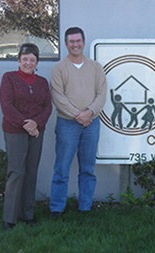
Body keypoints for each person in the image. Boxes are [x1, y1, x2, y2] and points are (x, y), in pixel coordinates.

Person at [49, 27, 107, 217]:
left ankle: (85, 207)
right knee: (62, 169)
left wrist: (89, 113)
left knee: (88, 169)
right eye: (71, 41)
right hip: (67, 124)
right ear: (66, 44)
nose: (75, 44)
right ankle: (57, 208)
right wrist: (79, 115)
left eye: (78, 41)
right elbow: (58, 98)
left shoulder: (96, 67)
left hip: (91, 123)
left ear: (83, 42)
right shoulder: (59, 69)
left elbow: (101, 94)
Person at [0, 43, 52, 230]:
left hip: (37, 131)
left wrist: (36, 124)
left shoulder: (42, 82)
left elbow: (48, 107)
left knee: (31, 172)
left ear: (37, 62)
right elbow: (7, 106)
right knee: (16, 172)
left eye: (32, 59)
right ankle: (10, 218)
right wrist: (27, 125)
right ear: (19, 60)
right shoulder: (9, 78)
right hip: (15, 131)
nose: (28, 62)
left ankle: (27, 214)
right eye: (25, 59)